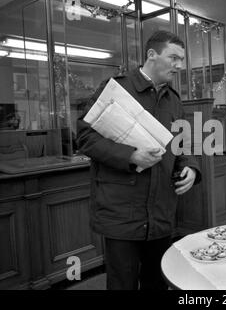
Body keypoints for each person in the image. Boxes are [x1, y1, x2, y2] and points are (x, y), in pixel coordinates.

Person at [76, 30, 201, 290]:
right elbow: (85, 137)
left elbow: (183, 144)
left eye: (181, 59)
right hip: (121, 213)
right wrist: (130, 155)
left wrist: (190, 167)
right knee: (123, 284)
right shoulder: (116, 88)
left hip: (161, 212)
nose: (179, 66)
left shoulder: (174, 100)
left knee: (157, 282)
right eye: (174, 58)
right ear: (152, 55)